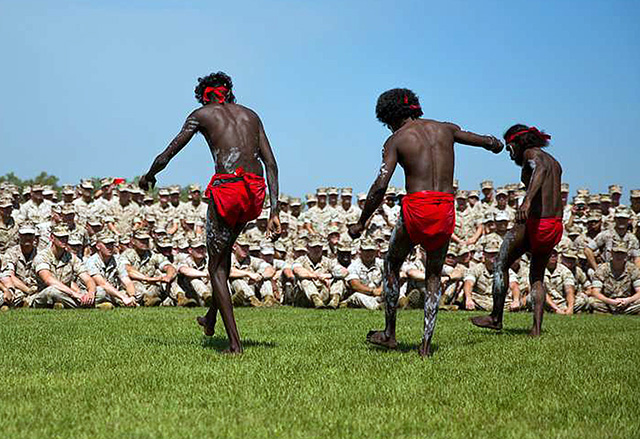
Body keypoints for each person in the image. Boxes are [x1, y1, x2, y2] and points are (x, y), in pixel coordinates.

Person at [348, 88, 503, 357]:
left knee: (392, 263)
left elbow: (380, 186)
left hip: (417, 208)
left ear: (390, 116)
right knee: (434, 273)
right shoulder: (446, 130)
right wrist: (495, 143)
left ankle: (389, 333)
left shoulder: (396, 139)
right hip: (444, 208)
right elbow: (486, 142)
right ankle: (426, 345)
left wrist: (361, 222)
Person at [139, 71, 280, 354]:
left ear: (204, 96)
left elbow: (168, 153)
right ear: (228, 92)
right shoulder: (251, 115)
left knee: (215, 267)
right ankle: (210, 318)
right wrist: (275, 211)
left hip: (228, 190)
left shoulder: (202, 115)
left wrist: (149, 175)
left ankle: (235, 345)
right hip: (255, 192)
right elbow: (271, 163)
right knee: (224, 254)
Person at [471, 124, 563, 336]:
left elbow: (538, 168)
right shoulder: (555, 162)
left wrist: (527, 201)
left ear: (518, 143)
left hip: (537, 222)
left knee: (501, 262)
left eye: (510, 147)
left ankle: (496, 317)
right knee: (537, 275)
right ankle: (536, 329)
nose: (509, 153)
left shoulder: (533, 155)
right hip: (554, 224)